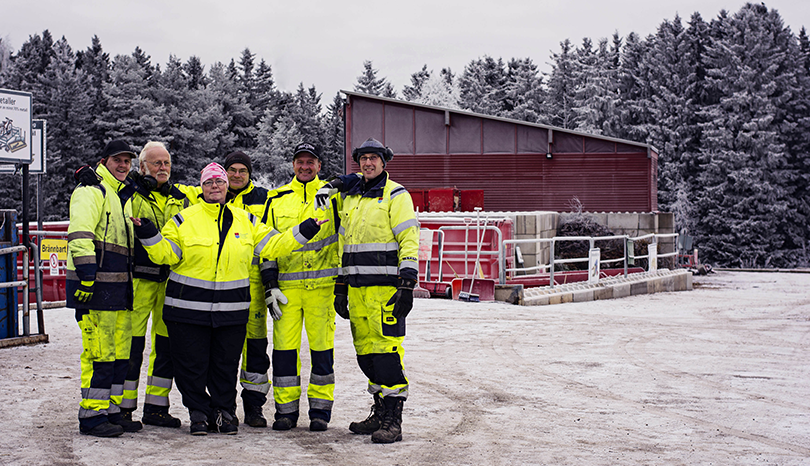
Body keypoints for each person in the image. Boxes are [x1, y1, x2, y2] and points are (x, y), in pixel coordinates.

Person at [131, 162, 325, 436]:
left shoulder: (246, 221)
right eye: (209, 182)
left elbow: (274, 245)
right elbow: (167, 255)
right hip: (186, 311)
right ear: (201, 187)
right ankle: (198, 413)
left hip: (231, 311)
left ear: (226, 187)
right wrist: (149, 236)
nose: (215, 187)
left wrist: (304, 230)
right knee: (191, 367)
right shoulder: (184, 219)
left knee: (225, 366)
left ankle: (224, 413)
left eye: (219, 182)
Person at [314, 137, 419, 443]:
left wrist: (407, 284)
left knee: (386, 354)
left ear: (384, 163)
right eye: (363, 159)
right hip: (357, 292)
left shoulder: (396, 195)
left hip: (387, 292)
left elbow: (409, 240)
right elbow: (344, 246)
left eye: (374, 158)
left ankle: (393, 419)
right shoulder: (351, 198)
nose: (368, 163)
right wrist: (341, 287)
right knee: (365, 356)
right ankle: (379, 412)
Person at [260, 142, 340, 432]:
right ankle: (286, 412)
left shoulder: (334, 197)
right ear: (292, 165)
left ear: (319, 165)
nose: (305, 167)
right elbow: (267, 246)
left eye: (311, 162)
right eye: (300, 162)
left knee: (322, 352)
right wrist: (270, 284)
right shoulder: (276, 198)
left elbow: (341, 239)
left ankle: (320, 412)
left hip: (323, 289)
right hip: (287, 290)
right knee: (284, 352)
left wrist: (341, 284)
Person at [67, 140, 142, 437]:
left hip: (119, 292)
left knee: (118, 354)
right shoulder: (91, 190)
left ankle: (111, 410)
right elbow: (81, 233)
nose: (123, 165)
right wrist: (86, 275)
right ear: (104, 161)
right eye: (117, 160)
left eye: (127, 161)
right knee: (98, 353)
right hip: (95, 289)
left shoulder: (122, 195)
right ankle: (92, 415)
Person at [119, 141, 196, 428]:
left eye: (166, 163)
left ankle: (156, 407)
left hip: (170, 282)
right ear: (143, 168)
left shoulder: (180, 197)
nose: (162, 168)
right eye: (156, 163)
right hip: (138, 280)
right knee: (131, 347)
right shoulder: (131, 195)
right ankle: (124, 409)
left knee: (165, 347)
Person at [221, 151, 274, 427]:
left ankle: (254, 407)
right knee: (226, 351)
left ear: (250, 173)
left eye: (243, 170)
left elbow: (270, 242)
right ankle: (225, 406)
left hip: (253, 288)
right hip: (224, 287)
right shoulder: (213, 196)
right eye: (232, 170)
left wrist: (270, 283)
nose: (237, 175)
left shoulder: (264, 199)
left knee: (255, 350)